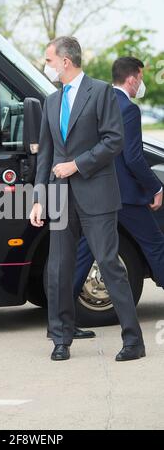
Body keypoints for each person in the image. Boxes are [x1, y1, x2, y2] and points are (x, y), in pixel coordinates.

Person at [30, 37, 145, 362]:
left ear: (66, 61)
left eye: (49, 60)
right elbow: (46, 156)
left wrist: (77, 164)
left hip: (97, 194)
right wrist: (39, 198)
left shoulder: (101, 92)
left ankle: (133, 340)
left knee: (109, 265)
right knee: (58, 268)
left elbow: (114, 140)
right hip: (61, 198)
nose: (47, 66)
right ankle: (61, 338)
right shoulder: (51, 101)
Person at [74, 57, 164, 302]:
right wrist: (155, 186)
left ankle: (62, 313)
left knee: (86, 251)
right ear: (132, 78)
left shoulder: (97, 103)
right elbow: (133, 157)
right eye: (141, 79)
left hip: (97, 192)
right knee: (155, 243)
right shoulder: (128, 109)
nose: (141, 85)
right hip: (125, 196)